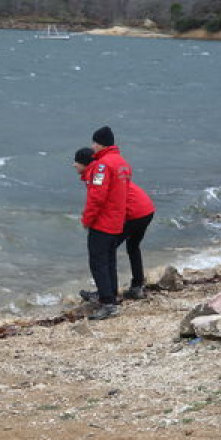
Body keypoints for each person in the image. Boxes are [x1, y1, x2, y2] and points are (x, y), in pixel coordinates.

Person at [74, 147, 155, 301]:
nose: (73, 165)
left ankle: (107, 294)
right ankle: (136, 285)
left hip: (134, 213)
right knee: (131, 247)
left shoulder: (99, 174)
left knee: (104, 253)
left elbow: (98, 199)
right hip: (146, 209)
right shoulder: (106, 170)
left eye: (76, 162)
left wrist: (88, 220)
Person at [79, 126, 132, 320]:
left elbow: (97, 197)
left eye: (94, 143)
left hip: (103, 222)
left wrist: (87, 219)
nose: (92, 147)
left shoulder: (102, 165)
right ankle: (110, 296)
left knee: (98, 262)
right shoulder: (123, 163)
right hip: (117, 221)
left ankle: (108, 302)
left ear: (99, 143)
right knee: (110, 261)